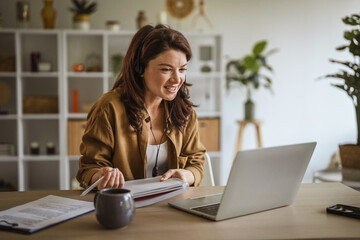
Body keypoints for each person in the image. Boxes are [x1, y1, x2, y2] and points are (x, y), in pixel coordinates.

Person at [76, 24, 206, 190]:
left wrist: (187, 175)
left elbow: (196, 160)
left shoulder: (184, 111)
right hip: (124, 206)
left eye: (182, 69)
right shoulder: (109, 108)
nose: (177, 79)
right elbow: (87, 168)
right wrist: (100, 176)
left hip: (173, 204)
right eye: (166, 69)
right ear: (140, 68)